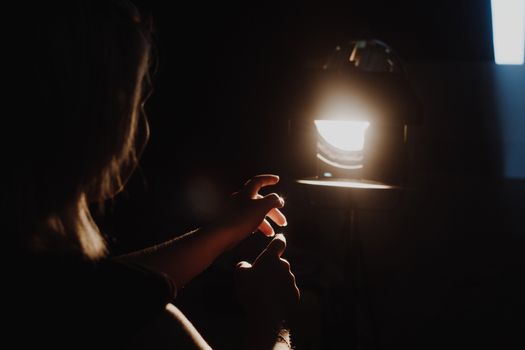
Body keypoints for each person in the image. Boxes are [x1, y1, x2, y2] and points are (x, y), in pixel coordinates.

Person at [4, 1, 300, 349]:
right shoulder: (149, 328)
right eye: (136, 102)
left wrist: (221, 232)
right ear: (97, 119)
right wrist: (274, 319)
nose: (141, 125)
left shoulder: (27, 279)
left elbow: (100, 292)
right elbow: (108, 301)